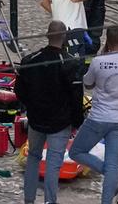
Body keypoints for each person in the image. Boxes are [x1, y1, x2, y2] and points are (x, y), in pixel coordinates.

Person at [69, 27, 118, 204]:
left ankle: (113, 173)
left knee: (76, 151)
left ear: (107, 42)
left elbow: (87, 83)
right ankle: (107, 196)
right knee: (112, 164)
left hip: (99, 118)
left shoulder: (98, 61)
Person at [15, 21, 80, 204]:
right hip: (60, 122)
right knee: (53, 162)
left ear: (47, 35)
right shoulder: (70, 63)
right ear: (64, 37)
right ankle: (50, 200)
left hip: (36, 119)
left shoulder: (30, 60)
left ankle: (29, 199)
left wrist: (31, 106)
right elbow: (76, 96)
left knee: (33, 157)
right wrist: (76, 121)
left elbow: (19, 90)